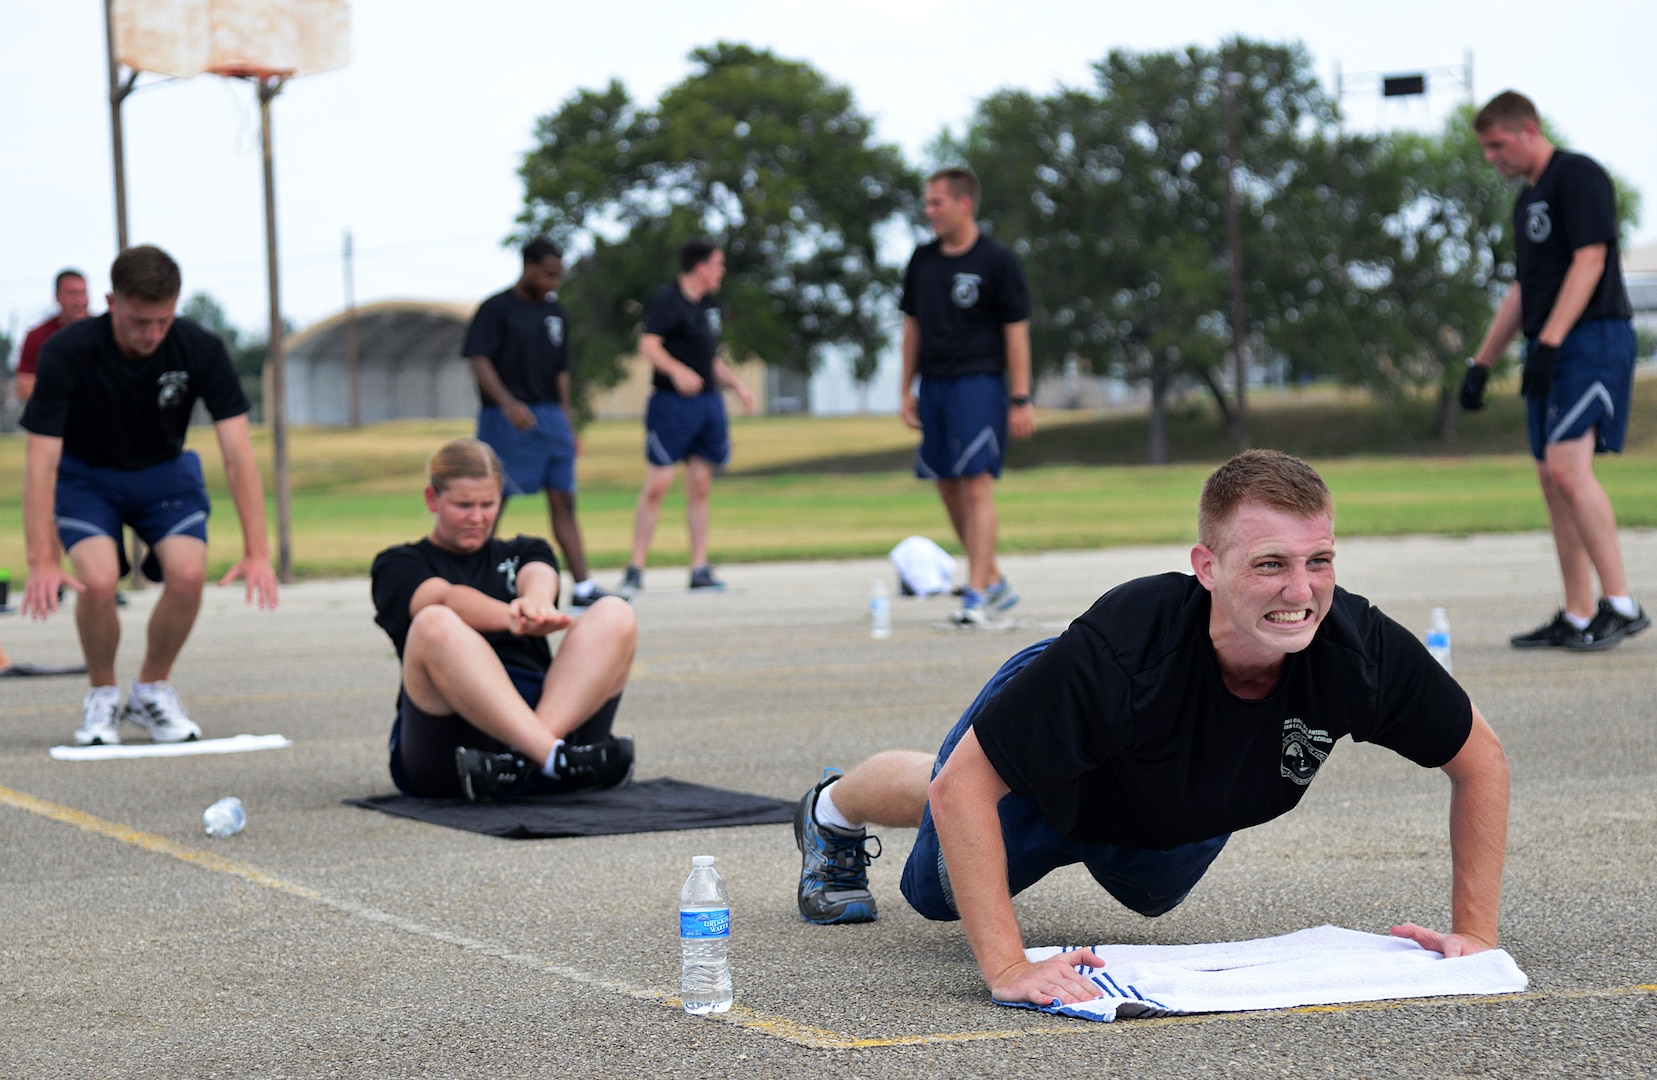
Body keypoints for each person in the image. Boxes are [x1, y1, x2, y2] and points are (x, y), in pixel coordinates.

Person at [791, 450, 1510, 1007]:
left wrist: (1474, 935)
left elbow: (1479, 760)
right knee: (944, 838)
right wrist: (1010, 967)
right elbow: (962, 792)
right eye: (1269, 565)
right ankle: (832, 809)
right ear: (1206, 566)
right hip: (1059, 774)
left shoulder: (1360, 651)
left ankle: (992, 780)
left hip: (1160, 809)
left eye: (1317, 560)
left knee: (1150, 892)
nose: (1300, 590)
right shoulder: (1122, 650)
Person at [20, 245, 278, 746]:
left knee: (188, 574)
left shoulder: (199, 348)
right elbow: (41, 461)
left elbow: (238, 455)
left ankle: (150, 689)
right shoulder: (67, 351)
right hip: (86, 475)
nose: (152, 334)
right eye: (140, 321)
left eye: (163, 320)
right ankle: (102, 695)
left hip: (163, 474)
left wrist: (258, 551)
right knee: (96, 581)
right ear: (112, 301)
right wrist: (41, 558)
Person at [1460, 90, 1646, 651]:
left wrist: (1553, 339)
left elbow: (1591, 258)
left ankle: (1621, 604)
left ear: (1529, 129)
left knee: (1569, 468)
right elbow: (1523, 287)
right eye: (1486, 149)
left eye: (1497, 145)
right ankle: (1578, 611)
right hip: (1552, 343)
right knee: (1551, 479)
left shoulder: (1578, 175)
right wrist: (1481, 363)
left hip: (1592, 338)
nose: (1492, 157)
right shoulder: (1526, 202)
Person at [371, 438, 637, 800]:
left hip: (544, 722)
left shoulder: (523, 549)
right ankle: (552, 758)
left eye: (488, 504)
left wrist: (537, 601)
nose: (477, 518)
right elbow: (446, 597)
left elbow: (540, 574)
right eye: (463, 505)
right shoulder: (398, 564)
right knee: (435, 621)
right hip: (453, 752)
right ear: (432, 500)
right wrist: (511, 615)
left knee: (615, 612)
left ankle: (531, 758)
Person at [899, 167, 1035, 626]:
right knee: (947, 485)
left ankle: (975, 593)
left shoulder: (997, 261)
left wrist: (1020, 397)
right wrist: (906, 388)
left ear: (964, 204)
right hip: (934, 385)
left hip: (978, 384)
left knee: (977, 484)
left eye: (937, 202)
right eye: (928, 203)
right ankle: (993, 579)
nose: (929, 211)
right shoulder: (922, 261)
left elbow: (1015, 333)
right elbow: (912, 327)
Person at [464, 239, 619, 610]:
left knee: (564, 500)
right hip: (507, 420)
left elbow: (561, 372)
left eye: (558, 276)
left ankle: (582, 588)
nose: (553, 282)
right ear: (527, 265)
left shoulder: (556, 313)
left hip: (550, 418)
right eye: (547, 274)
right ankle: (472, 583)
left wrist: (567, 422)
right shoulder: (496, 308)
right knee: (491, 502)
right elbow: (479, 360)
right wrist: (507, 403)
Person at [616, 238, 756, 597]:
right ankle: (635, 568)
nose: (721, 271)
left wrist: (736, 386)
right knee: (659, 483)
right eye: (718, 264)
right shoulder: (667, 299)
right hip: (671, 405)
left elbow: (709, 358)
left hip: (707, 404)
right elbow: (649, 345)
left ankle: (699, 568)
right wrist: (676, 371)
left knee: (700, 485)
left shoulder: (709, 306)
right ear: (701, 267)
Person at [15, 268, 92, 403]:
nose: (80, 301)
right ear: (57, 297)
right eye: (72, 294)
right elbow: (24, 388)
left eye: (83, 293)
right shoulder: (38, 336)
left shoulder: (107, 331)